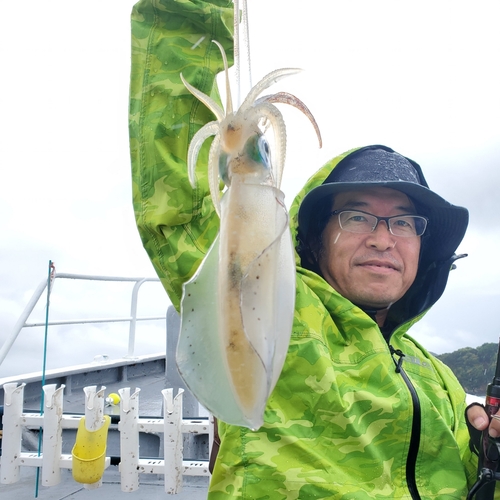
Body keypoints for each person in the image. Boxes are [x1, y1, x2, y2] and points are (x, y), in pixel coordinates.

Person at [129, 0, 496, 497]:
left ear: (423, 248)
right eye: (357, 216)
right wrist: (194, 15)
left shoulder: (439, 378)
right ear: (316, 239)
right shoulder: (278, 304)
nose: (383, 238)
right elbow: (180, 205)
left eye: (405, 222)